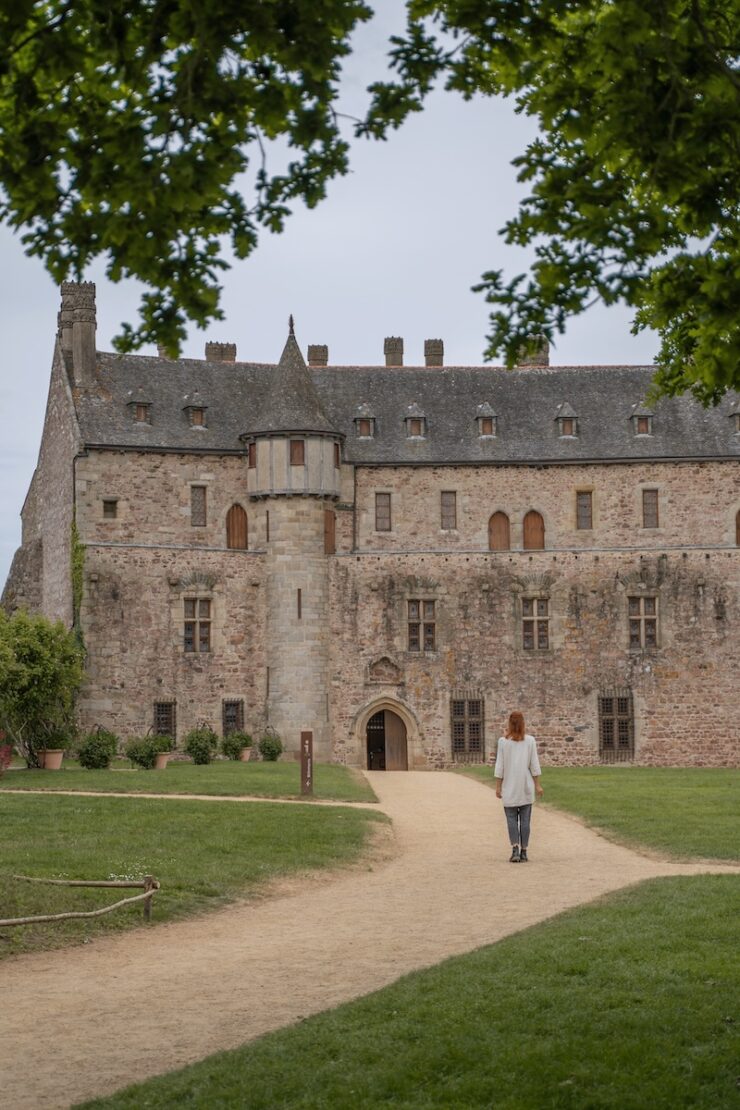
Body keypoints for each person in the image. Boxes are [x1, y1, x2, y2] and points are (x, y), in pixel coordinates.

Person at [494, 711, 543, 862]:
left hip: (509, 786)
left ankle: (515, 849)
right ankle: (524, 851)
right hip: (525, 787)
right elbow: (534, 765)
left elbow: (500, 766)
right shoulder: (530, 741)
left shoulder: (503, 742)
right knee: (525, 821)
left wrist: (498, 787)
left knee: (511, 820)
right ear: (523, 723)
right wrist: (537, 785)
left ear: (509, 723)